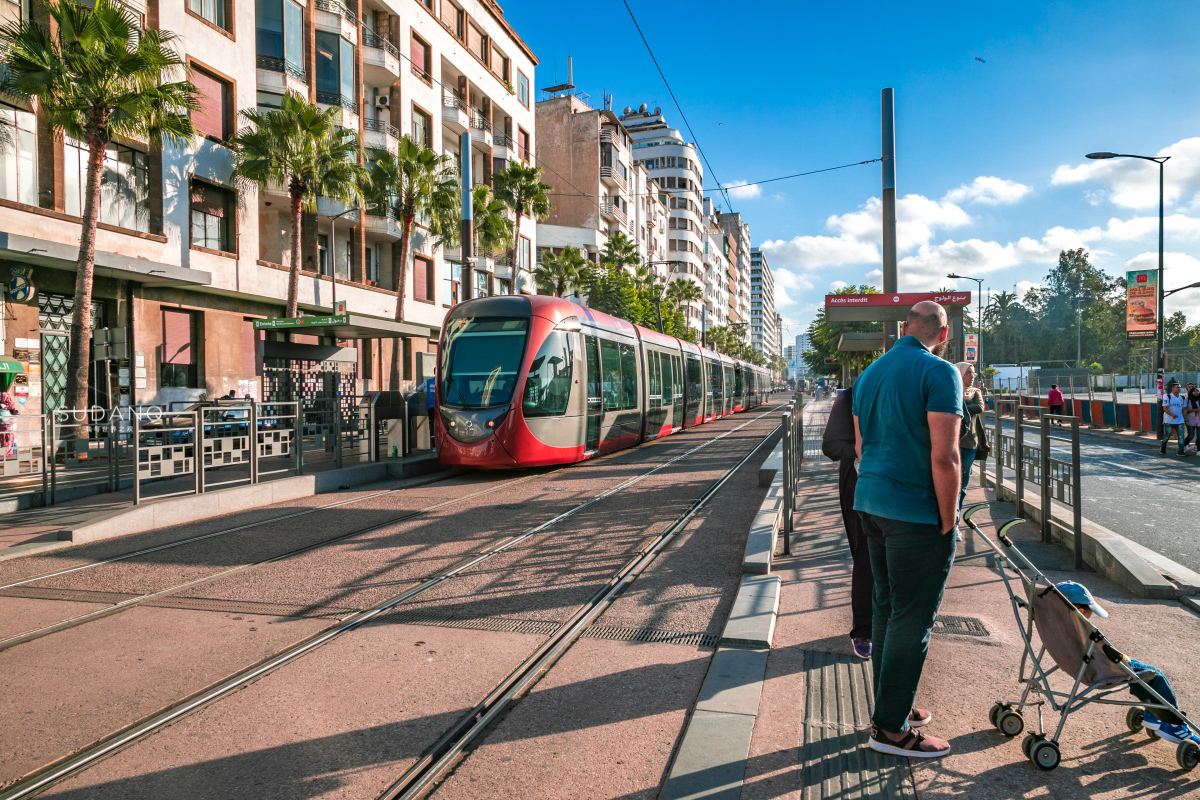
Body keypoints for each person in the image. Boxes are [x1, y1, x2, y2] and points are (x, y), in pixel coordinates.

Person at [853, 301, 963, 759]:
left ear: (904, 328)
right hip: (915, 511)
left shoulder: (870, 373)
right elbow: (946, 455)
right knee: (912, 618)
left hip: (870, 503)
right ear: (943, 334)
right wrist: (949, 513)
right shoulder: (939, 372)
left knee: (885, 608)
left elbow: (861, 446)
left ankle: (893, 705)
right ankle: (891, 730)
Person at [1057, 581, 1197, 744]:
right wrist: (1123, 658)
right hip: (1102, 669)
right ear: (1080, 611)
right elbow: (1108, 655)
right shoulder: (1080, 629)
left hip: (1080, 665)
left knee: (1141, 674)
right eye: (1090, 613)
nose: (1091, 616)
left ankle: (1153, 715)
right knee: (1154, 675)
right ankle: (1174, 725)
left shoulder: (1056, 626)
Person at [821, 386, 873, 660]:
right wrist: (863, 450)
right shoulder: (851, 396)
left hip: (906, 486)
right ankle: (865, 630)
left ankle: (893, 625)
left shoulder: (912, 388)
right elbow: (830, 445)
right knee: (866, 558)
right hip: (860, 486)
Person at [955, 362, 985, 514]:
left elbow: (979, 407)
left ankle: (956, 519)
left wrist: (959, 405)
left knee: (962, 484)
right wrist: (965, 404)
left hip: (969, 443)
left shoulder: (975, 392)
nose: (972, 377)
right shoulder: (952, 389)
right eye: (968, 373)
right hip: (951, 443)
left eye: (973, 374)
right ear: (959, 374)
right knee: (949, 483)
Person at [1160, 382, 1186, 456]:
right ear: (1173, 388)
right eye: (1177, 387)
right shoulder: (1167, 397)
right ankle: (1163, 447)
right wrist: (1172, 415)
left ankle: (1181, 450)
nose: (1179, 389)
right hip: (1169, 420)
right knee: (1167, 435)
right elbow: (1165, 408)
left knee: (1181, 436)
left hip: (1179, 420)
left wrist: (1185, 418)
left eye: (1179, 387)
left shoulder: (1182, 398)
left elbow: (1184, 409)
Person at [0, 383, 18, 456]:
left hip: (3, 424)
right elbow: (15, 412)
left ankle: (4, 451)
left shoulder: (1, 404)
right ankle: (9, 451)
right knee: (9, 438)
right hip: (10, 425)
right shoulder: (11, 404)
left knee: (4, 438)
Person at [1184, 386, 1200, 454]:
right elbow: (1185, 410)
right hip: (1190, 419)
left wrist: (1190, 410)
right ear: (1191, 392)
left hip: (1199, 419)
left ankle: (1198, 450)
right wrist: (1186, 419)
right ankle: (1183, 445)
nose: (1196, 392)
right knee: (1191, 435)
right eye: (1194, 391)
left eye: (1197, 391)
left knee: (1199, 436)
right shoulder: (1188, 400)